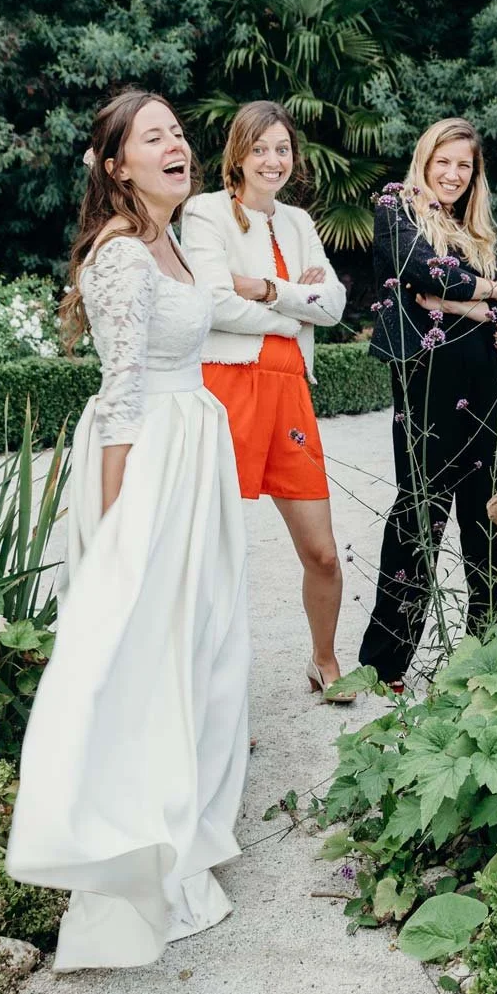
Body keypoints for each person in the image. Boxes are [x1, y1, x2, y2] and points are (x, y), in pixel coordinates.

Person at [7, 89, 250, 970]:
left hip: (194, 457)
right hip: (148, 465)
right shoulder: (118, 255)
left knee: (204, 647)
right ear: (116, 167)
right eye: (155, 138)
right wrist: (111, 532)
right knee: (146, 652)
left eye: (178, 133)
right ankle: (139, 854)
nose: (177, 145)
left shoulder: (169, 237)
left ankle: (187, 823)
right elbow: (119, 400)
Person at [182, 102, 352, 703]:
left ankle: (324, 660)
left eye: (282, 149)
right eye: (260, 149)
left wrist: (269, 289)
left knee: (323, 552)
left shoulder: (301, 222)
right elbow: (213, 302)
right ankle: (210, 695)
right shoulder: (204, 212)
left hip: (291, 395)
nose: (272, 160)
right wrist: (291, 308)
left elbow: (332, 308)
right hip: (228, 389)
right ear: (238, 153)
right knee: (215, 554)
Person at [361, 117, 497, 688]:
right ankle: (385, 662)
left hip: (481, 377)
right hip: (427, 378)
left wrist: (461, 299)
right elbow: (423, 272)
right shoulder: (397, 209)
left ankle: (494, 652)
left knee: (491, 511)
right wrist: (486, 291)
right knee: (419, 512)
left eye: (464, 166)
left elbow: (462, 296)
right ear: (425, 162)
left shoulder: (474, 229)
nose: (452, 174)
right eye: (443, 162)